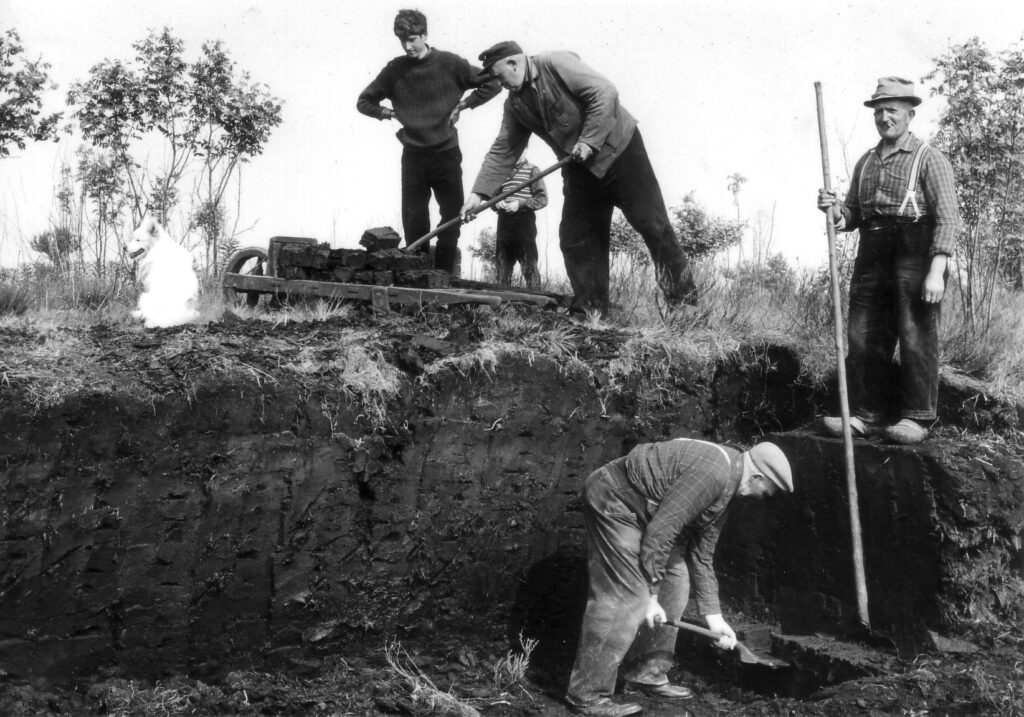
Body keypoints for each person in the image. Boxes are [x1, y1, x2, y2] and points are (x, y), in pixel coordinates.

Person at [459, 41, 696, 316]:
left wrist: (589, 140)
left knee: (653, 225)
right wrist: (478, 196)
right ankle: (592, 313)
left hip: (620, 152)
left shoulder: (554, 62)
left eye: (500, 76)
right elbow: (503, 150)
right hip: (579, 167)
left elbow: (604, 93)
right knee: (577, 238)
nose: (499, 84)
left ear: (514, 63)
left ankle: (685, 306)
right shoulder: (514, 106)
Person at [566, 439, 793, 717]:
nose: (760, 497)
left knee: (677, 580)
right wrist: (650, 595)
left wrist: (715, 617)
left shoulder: (727, 487)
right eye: (766, 491)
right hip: (615, 498)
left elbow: (701, 555)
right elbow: (663, 529)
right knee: (627, 594)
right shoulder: (714, 473)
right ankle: (587, 695)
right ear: (757, 476)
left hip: (645, 514)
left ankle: (646, 671)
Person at [817, 77, 962, 445]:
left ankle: (916, 417)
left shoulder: (930, 159)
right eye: (879, 110)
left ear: (910, 114)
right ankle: (863, 414)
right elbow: (853, 216)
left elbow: (948, 219)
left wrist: (937, 272)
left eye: (892, 110)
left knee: (915, 335)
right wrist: (835, 211)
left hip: (915, 251)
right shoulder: (866, 162)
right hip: (873, 252)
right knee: (863, 336)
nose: (884, 117)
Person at [357, 10, 500, 274]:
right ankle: (416, 275)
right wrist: (389, 113)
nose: (408, 46)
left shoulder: (450, 64)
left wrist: (465, 104)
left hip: (446, 154)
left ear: (424, 35)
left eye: (412, 38)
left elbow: (493, 81)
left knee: (452, 216)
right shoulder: (394, 70)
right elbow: (364, 102)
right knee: (414, 218)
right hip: (413, 156)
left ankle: (443, 276)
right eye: (402, 40)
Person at [492, 155, 548, 289]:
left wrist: (520, 204)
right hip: (504, 223)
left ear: (526, 147)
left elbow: (542, 199)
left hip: (524, 222)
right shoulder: (502, 171)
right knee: (502, 267)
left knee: (529, 265)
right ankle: (502, 307)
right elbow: (492, 198)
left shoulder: (532, 170)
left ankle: (536, 305)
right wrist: (496, 202)